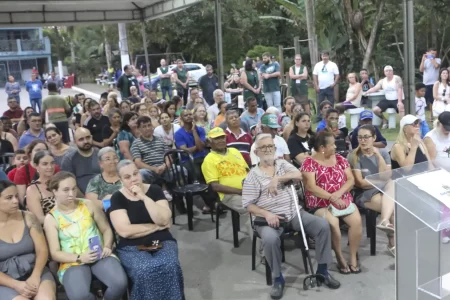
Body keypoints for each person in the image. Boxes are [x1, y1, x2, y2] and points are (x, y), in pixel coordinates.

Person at [243, 134, 340, 298]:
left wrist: (277, 179)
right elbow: (248, 205)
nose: (267, 149)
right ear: (256, 152)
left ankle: (323, 271)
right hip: (267, 219)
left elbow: (299, 175)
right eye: (263, 147)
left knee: (322, 226)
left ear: (274, 149)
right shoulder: (252, 175)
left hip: (293, 213)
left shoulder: (282, 164)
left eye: (270, 146)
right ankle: (277, 279)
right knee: (271, 239)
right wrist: (266, 214)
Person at [44, 172, 128, 299]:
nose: (71, 194)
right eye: (66, 190)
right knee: (80, 296)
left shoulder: (88, 204)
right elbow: (55, 253)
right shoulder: (51, 218)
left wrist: (107, 246)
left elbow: (106, 229)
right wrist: (79, 257)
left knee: (120, 283)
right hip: (72, 262)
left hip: (100, 254)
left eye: (74, 188)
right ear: (54, 191)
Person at [109, 160, 184, 299]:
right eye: (127, 177)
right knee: (145, 269)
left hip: (161, 241)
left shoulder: (154, 190)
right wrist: (155, 227)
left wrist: (143, 197)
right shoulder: (118, 198)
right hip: (132, 246)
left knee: (169, 265)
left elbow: (163, 219)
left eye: (135, 174)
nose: (133, 179)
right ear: (121, 180)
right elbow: (125, 231)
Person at [301, 131, 362, 274]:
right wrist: (332, 197)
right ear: (322, 148)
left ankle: (353, 257)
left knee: (356, 221)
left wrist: (339, 194)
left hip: (342, 198)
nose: (335, 146)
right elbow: (311, 187)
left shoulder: (340, 158)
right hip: (319, 202)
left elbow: (351, 180)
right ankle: (340, 257)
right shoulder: (309, 163)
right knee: (333, 224)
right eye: (332, 144)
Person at [0, 180, 56, 300]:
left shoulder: (29, 217)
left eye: (16, 196)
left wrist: (35, 276)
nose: (15, 201)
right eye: (9, 198)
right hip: (4, 280)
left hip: (35, 270)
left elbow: (42, 250)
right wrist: (16, 284)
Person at [347, 125, 396, 255]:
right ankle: (392, 241)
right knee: (392, 207)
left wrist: (378, 156)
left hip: (384, 190)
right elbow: (360, 183)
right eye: (360, 137)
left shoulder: (383, 153)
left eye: (366, 137)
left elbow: (387, 176)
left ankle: (384, 222)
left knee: (391, 184)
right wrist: (380, 181)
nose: (363, 141)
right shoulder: (354, 155)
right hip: (363, 193)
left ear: (374, 138)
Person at [202, 127, 249, 217]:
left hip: (248, 190)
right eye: (216, 138)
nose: (221, 140)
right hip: (229, 195)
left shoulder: (234, 151)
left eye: (222, 137)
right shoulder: (209, 159)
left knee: (269, 201)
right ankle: (253, 230)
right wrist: (240, 191)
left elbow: (247, 170)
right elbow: (215, 187)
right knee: (252, 208)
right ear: (209, 143)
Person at [175, 110, 215, 212]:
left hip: (202, 157)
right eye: (185, 115)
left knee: (211, 172)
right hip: (188, 160)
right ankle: (207, 204)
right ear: (181, 118)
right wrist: (197, 147)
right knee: (197, 173)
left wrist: (194, 132)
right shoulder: (178, 134)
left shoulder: (199, 129)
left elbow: (201, 148)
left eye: (190, 114)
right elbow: (186, 151)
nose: (188, 116)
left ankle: (214, 202)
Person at [131, 116, 175, 199]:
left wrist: (165, 166)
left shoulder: (160, 139)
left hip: (164, 167)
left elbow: (168, 156)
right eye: (144, 126)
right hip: (149, 170)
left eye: (149, 125)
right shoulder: (136, 143)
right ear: (139, 129)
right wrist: (154, 169)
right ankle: (152, 197)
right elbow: (138, 163)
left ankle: (179, 198)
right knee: (142, 173)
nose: (147, 128)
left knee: (181, 170)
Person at [61, 128, 101, 195]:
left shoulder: (100, 154)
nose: (85, 141)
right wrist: (85, 200)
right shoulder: (68, 159)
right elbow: (70, 184)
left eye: (88, 137)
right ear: (75, 142)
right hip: (82, 198)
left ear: (92, 137)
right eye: (81, 139)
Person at [25, 151, 56, 224]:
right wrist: (63, 221)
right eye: (45, 164)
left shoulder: (61, 181)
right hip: (48, 227)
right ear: (36, 166)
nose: (50, 167)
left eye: (52, 163)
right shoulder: (33, 189)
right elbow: (39, 219)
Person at [312, 50, 340, 122]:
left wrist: (334, 83)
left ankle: (331, 116)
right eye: (323, 56)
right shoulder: (318, 65)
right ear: (321, 56)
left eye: (326, 56)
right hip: (320, 87)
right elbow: (315, 75)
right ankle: (319, 117)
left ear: (328, 56)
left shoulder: (333, 65)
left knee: (331, 103)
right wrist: (316, 85)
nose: (324, 57)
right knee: (319, 103)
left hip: (329, 87)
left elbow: (337, 75)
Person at [420, 48, 441, 122]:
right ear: (428, 53)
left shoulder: (437, 60)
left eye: (435, 53)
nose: (434, 55)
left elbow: (436, 66)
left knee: (432, 100)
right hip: (425, 83)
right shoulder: (425, 60)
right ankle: (421, 115)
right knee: (424, 99)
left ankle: (431, 115)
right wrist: (423, 59)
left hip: (434, 83)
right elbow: (421, 70)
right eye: (432, 53)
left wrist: (431, 57)